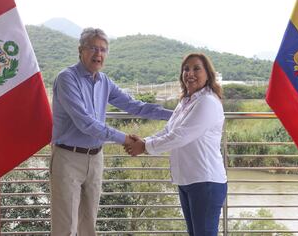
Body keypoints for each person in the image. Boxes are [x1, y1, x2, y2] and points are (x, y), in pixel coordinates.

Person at [50, 27, 172, 236]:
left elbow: (134, 106)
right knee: (65, 228)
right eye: (93, 48)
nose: (98, 54)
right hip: (68, 158)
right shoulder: (66, 79)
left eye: (103, 49)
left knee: (89, 226)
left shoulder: (104, 81)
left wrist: (177, 114)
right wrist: (124, 138)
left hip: (96, 158)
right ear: (81, 50)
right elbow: (85, 123)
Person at [124, 53, 227, 236]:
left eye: (196, 68)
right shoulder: (185, 101)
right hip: (188, 179)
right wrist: (144, 142)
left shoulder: (207, 102)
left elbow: (181, 135)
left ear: (208, 74)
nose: (190, 73)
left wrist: (145, 147)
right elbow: (169, 130)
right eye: (186, 69)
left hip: (205, 181)